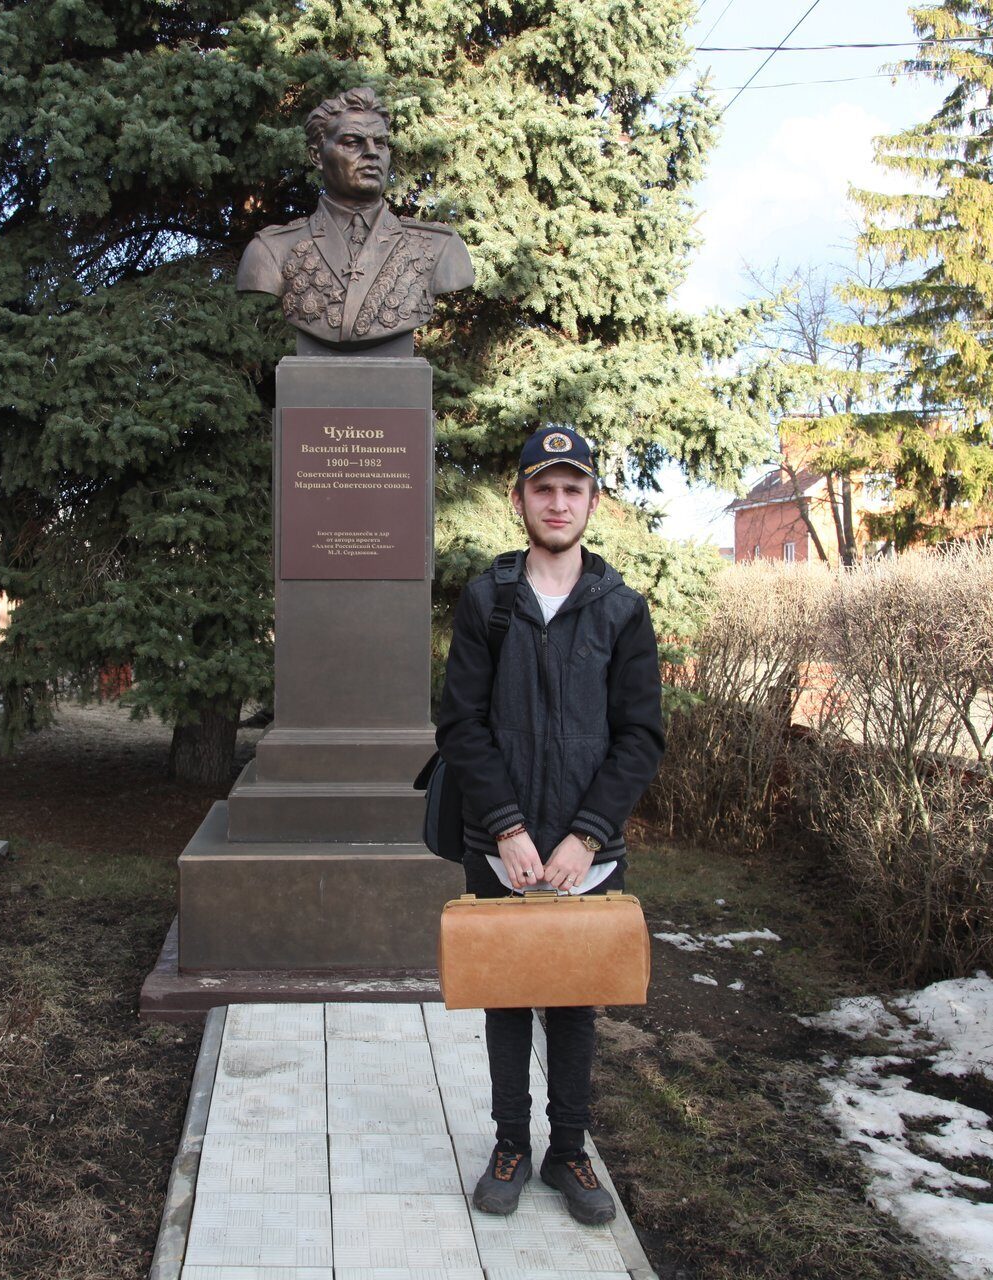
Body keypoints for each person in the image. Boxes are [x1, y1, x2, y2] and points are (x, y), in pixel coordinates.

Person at [434, 425, 666, 1224]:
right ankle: (509, 1144)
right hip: (500, 846)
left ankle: (569, 1149)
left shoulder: (621, 611)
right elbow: (461, 723)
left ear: (593, 502)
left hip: (585, 853)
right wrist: (504, 826)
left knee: (572, 1004)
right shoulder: (487, 600)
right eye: (544, 487)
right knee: (506, 995)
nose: (558, 502)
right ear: (521, 499)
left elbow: (640, 737)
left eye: (573, 489)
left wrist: (587, 835)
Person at [236, 87, 473, 348]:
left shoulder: (440, 248)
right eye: (352, 143)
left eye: (380, 143)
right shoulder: (272, 250)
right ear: (317, 155)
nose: (371, 153)